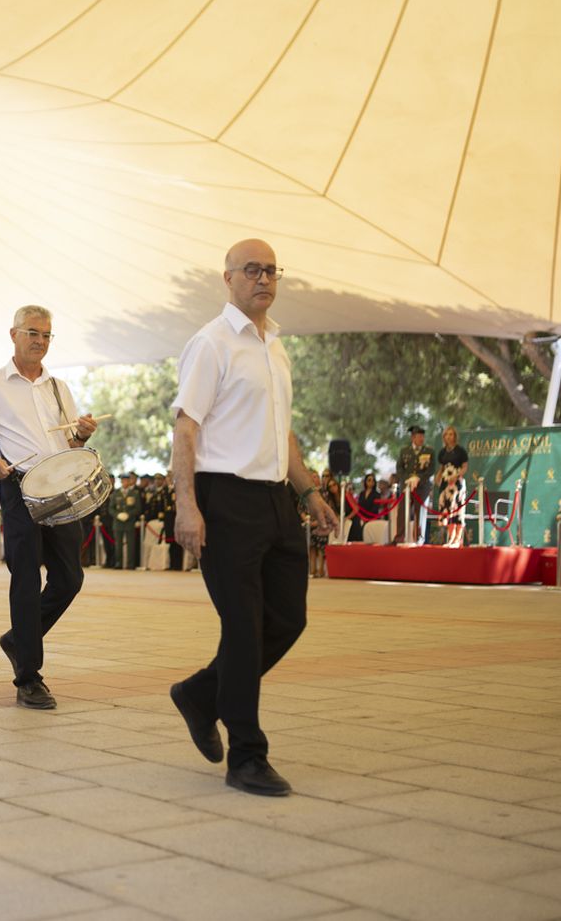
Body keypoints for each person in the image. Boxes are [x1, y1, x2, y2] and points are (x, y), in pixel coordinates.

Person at [170, 239, 337, 797]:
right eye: (252, 270)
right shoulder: (212, 344)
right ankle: (246, 756)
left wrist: (308, 491)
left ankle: (201, 693)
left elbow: (281, 430)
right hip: (226, 500)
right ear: (228, 279)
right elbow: (186, 428)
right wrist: (186, 505)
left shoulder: (275, 346)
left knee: (288, 620)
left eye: (270, 270)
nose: (263, 279)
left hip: (275, 500)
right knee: (243, 631)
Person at [0, 304, 97, 710]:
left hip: (61, 487)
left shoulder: (58, 387)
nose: (40, 341)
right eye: (33, 333)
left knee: (69, 580)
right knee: (26, 580)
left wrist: (81, 436)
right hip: (19, 487)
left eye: (47, 335)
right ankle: (29, 676)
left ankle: (18, 639)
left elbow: (70, 444)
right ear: (13, 334)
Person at [396, 426, 435, 543]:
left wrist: (418, 478)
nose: (421, 439)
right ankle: (399, 538)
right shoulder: (404, 451)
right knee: (402, 512)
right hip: (406, 487)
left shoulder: (429, 451)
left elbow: (431, 469)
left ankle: (418, 538)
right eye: (419, 436)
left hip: (422, 487)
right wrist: (408, 479)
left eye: (423, 436)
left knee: (420, 513)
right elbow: (399, 468)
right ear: (413, 437)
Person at [110, 473, 142, 570]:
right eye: (123, 480)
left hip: (129, 522)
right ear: (121, 481)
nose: (125, 482)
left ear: (129, 481)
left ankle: (130, 564)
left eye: (127, 480)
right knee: (118, 545)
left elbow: (138, 508)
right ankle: (118, 563)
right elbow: (111, 508)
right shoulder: (115, 493)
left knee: (131, 544)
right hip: (118, 522)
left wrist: (129, 514)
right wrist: (117, 515)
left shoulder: (134, 493)